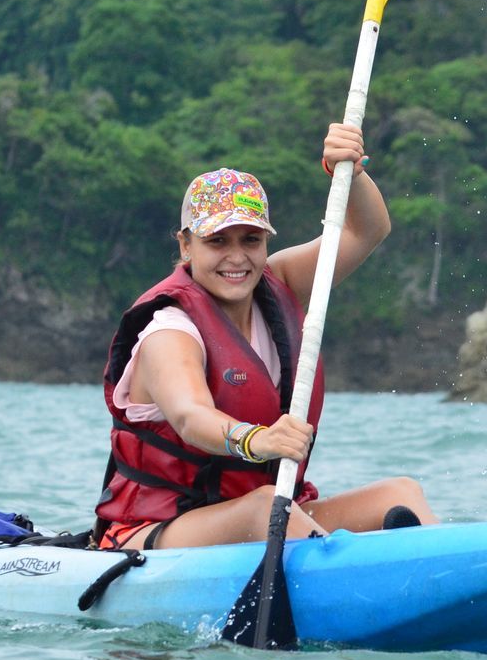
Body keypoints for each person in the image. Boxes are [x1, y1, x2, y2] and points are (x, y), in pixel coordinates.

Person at [94, 123, 436, 551]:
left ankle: (454, 585)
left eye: (251, 240)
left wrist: (350, 172)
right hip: (159, 530)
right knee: (264, 508)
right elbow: (188, 415)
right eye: (217, 241)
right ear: (186, 246)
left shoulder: (282, 283)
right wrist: (255, 439)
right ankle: (349, 583)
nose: (236, 257)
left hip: (273, 515)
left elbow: (364, 232)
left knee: (399, 493)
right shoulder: (170, 329)